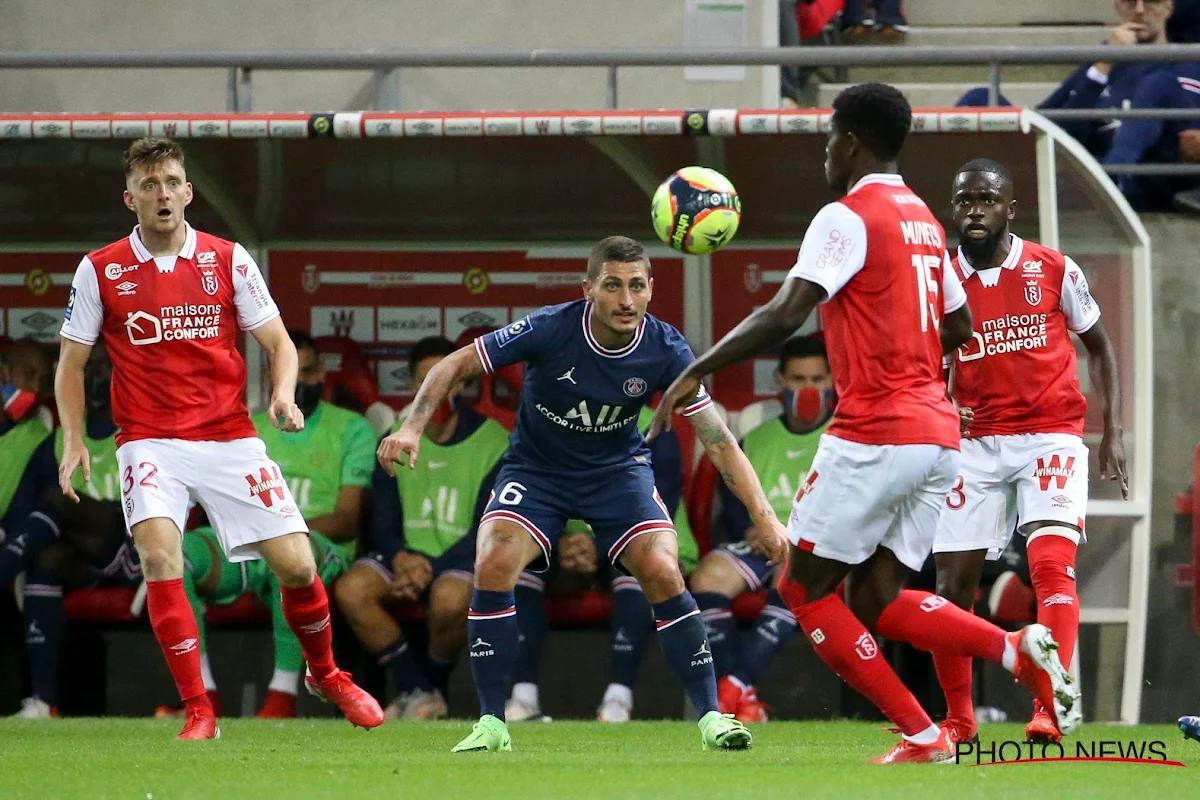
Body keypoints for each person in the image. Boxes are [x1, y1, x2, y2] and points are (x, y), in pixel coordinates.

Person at [651, 82, 1081, 764]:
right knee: (882, 595)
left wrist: (694, 369)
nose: (826, 150)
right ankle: (1010, 649)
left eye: (828, 137)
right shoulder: (923, 221)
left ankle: (922, 729)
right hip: (938, 437)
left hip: (876, 430)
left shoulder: (846, 216)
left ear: (849, 140)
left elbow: (786, 312)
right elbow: (960, 325)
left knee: (801, 588)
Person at [378, 235, 787, 753]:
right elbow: (451, 365)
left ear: (651, 290)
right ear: (589, 288)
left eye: (637, 286)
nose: (626, 300)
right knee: (494, 562)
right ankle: (491, 723)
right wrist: (413, 426)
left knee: (662, 570)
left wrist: (766, 518)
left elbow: (720, 440)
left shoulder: (666, 348)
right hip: (537, 471)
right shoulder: (550, 327)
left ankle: (711, 718)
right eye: (613, 286)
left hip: (617, 473)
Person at [55, 137, 382, 739]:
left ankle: (327, 673)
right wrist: (75, 439)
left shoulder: (228, 258)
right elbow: (71, 363)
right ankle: (199, 709)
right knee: (159, 556)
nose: (162, 194)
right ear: (130, 198)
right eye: (149, 185)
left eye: (172, 182)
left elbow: (281, 345)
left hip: (230, 437)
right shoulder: (100, 268)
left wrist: (282, 396)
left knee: (300, 568)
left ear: (188, 192)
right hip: (150, 440)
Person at [931, 158, 1125, 744]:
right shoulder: (938, 278)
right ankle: (960, 721)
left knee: (1050, 568)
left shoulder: (1053, 268)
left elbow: (1100, 345)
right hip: (973, 442)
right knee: (951, 587)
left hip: (1051, 432)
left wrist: (1111, 429)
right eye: (964, 201)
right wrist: (940, 409)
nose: (974, 211)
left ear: (1010, 208)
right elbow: (922, 360)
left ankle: (1050, 707)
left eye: (987, 199)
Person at [336, 336, 508, 721]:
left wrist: (430, 567)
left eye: (446, 378)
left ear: (460, 382)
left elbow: (491, 522)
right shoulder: (394, 436)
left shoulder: (493, 440)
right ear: (414, 386)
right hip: (407, 555)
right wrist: (399, 556)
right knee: (352, 589)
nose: (437, 387)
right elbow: (382, 516)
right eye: (427, 379)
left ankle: (426, 688)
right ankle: (417, 689)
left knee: (450, 600)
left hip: (461, 556)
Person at [505, 404, 698, 724]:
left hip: (633, 538)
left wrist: (599, 545)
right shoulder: (550, 414)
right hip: (564, 539)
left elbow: (659, 499)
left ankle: (618, 699)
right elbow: (529, 486)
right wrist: (558, 542)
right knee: (522, 570)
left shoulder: (655, 425)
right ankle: (523, 697)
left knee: (637, 569)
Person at [692, 334, 834, 723]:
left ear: (833, 382)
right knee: (707, 577)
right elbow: (732, 498)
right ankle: (747, 697)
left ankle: (731, 688)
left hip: (819, 549)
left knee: (791, 578)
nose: (807, 389)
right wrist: (752, 529)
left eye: (817, 379)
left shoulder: (845, 435)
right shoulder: (755, 438)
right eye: (798, 380)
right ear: (780, 383)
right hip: (763, 542)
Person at [4, 342, 134, 719]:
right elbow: (22, 517)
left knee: (61, 499)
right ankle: (44, 702)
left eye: (104, 367)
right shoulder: (57, 441)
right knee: (45, 560)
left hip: (133, 559)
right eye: (86, 368)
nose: (94, 376)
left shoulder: (139, 432)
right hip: (84, 563)